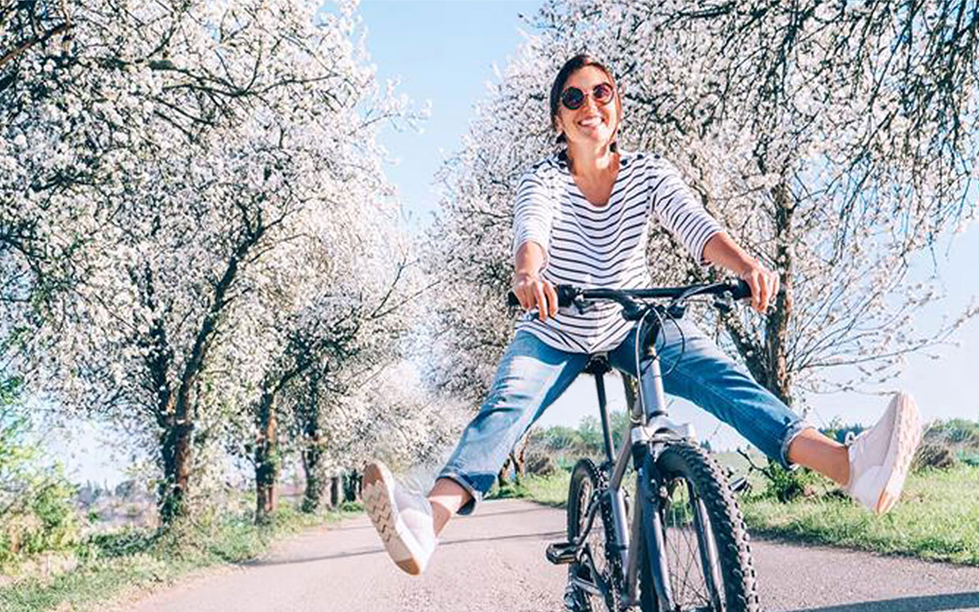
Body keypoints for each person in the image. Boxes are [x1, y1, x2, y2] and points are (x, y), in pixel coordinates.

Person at [361, 53, 921, 576]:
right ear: (559, 119)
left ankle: (851, 468)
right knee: (506, 407)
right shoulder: (544, 180)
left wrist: (746, 265)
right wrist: (529, 277)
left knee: (725, 381)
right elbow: (531, 233)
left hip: (633, 322)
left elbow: (697, 227)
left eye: (601, 93)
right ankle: (425, 523)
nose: (590, 107)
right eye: (574, 99)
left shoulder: (649, 173)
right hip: (557, 327)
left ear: (618, 107)